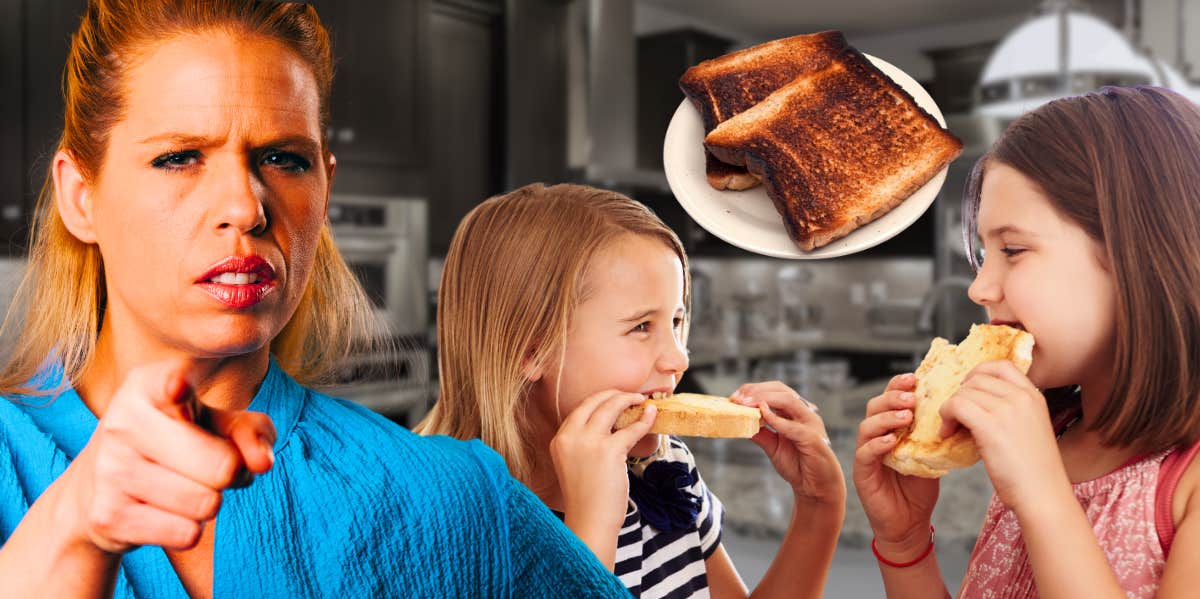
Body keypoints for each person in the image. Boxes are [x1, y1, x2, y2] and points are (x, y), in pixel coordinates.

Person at [0, 2, 630, 597]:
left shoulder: (455, 498)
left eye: (283, 159)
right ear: (81, 198)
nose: (246, 207)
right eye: (179, 158)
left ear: (325, 191)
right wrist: (70, 529)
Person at [416, 183, 846, 598]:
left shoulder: (661, 468)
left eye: (676, 322)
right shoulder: (448, 522)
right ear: (530, 352)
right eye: (641, 326)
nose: (678, 359)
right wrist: (593, 526)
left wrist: (818, 507)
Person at [853, 86, 1200, 598]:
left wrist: (1042, 496)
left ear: (1141, 256)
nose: (979, 288)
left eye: (1013, 249)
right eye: (984, 253)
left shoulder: (1186, 485)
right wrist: (905, 545)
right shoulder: (1051, 437)